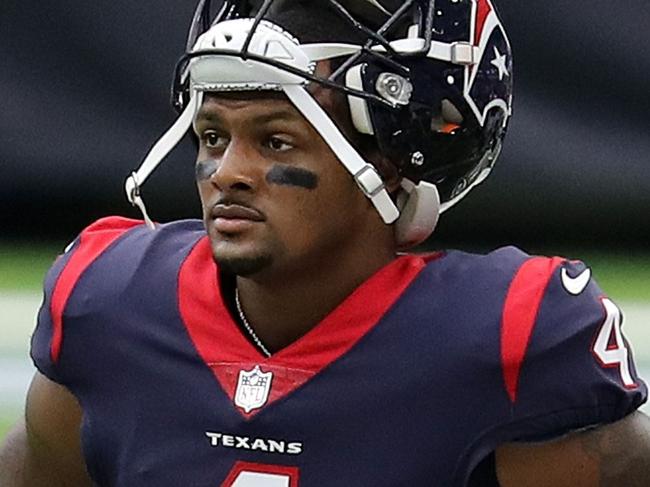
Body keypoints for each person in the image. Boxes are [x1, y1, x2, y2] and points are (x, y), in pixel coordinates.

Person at [1, 0, 649, 485]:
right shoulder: (109, 302)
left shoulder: (507, 339)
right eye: (213, 135)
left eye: (275, 140)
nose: (226, 172)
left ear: (392, 164)